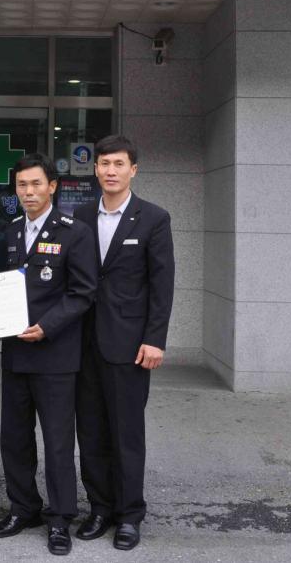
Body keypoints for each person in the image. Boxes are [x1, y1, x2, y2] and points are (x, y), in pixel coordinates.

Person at [0, 153, 97, 556]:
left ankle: (60, 518)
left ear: (52, 186)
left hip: (56, 355)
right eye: (22, 185)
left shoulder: (75, 232)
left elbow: (83, 292)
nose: (28, 192)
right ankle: (23, 508)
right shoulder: (12, 230)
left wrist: (47, 326)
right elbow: (2, 287)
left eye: (36, 184)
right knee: (14, 439)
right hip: (16, 353)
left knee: (57, 442)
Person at [73, 135, 174, 551]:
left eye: (118, 164)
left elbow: (162, 284)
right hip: (83, 344)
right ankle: (100, 508)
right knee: (91, 431)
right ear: (95, 169)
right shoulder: (80, 215)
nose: (110, 171)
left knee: (126, 433)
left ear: (133, 170)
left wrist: (155, 339)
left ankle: (130, 514)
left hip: (130, 345)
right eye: (104, 163)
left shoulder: (153, 218)